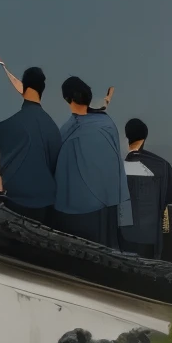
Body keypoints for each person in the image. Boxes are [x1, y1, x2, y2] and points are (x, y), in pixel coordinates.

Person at [53, 76, 132, 246]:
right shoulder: (108, 124)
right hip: (108, 210)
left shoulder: (66, 130)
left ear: (68, 99)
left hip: (74, 214)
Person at [0, 63, 61, 224]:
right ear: (42, 89)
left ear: (23, 86)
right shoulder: (53, 129)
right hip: (46, 208)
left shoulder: (8, 126)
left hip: (13, 204)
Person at [119, 118, 172, 258]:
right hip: (152, 242)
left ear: (126, 137)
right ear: (145, 137)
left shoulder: (118, 168)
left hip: (121, 240)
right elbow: (170, 196)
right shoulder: (163, 167)